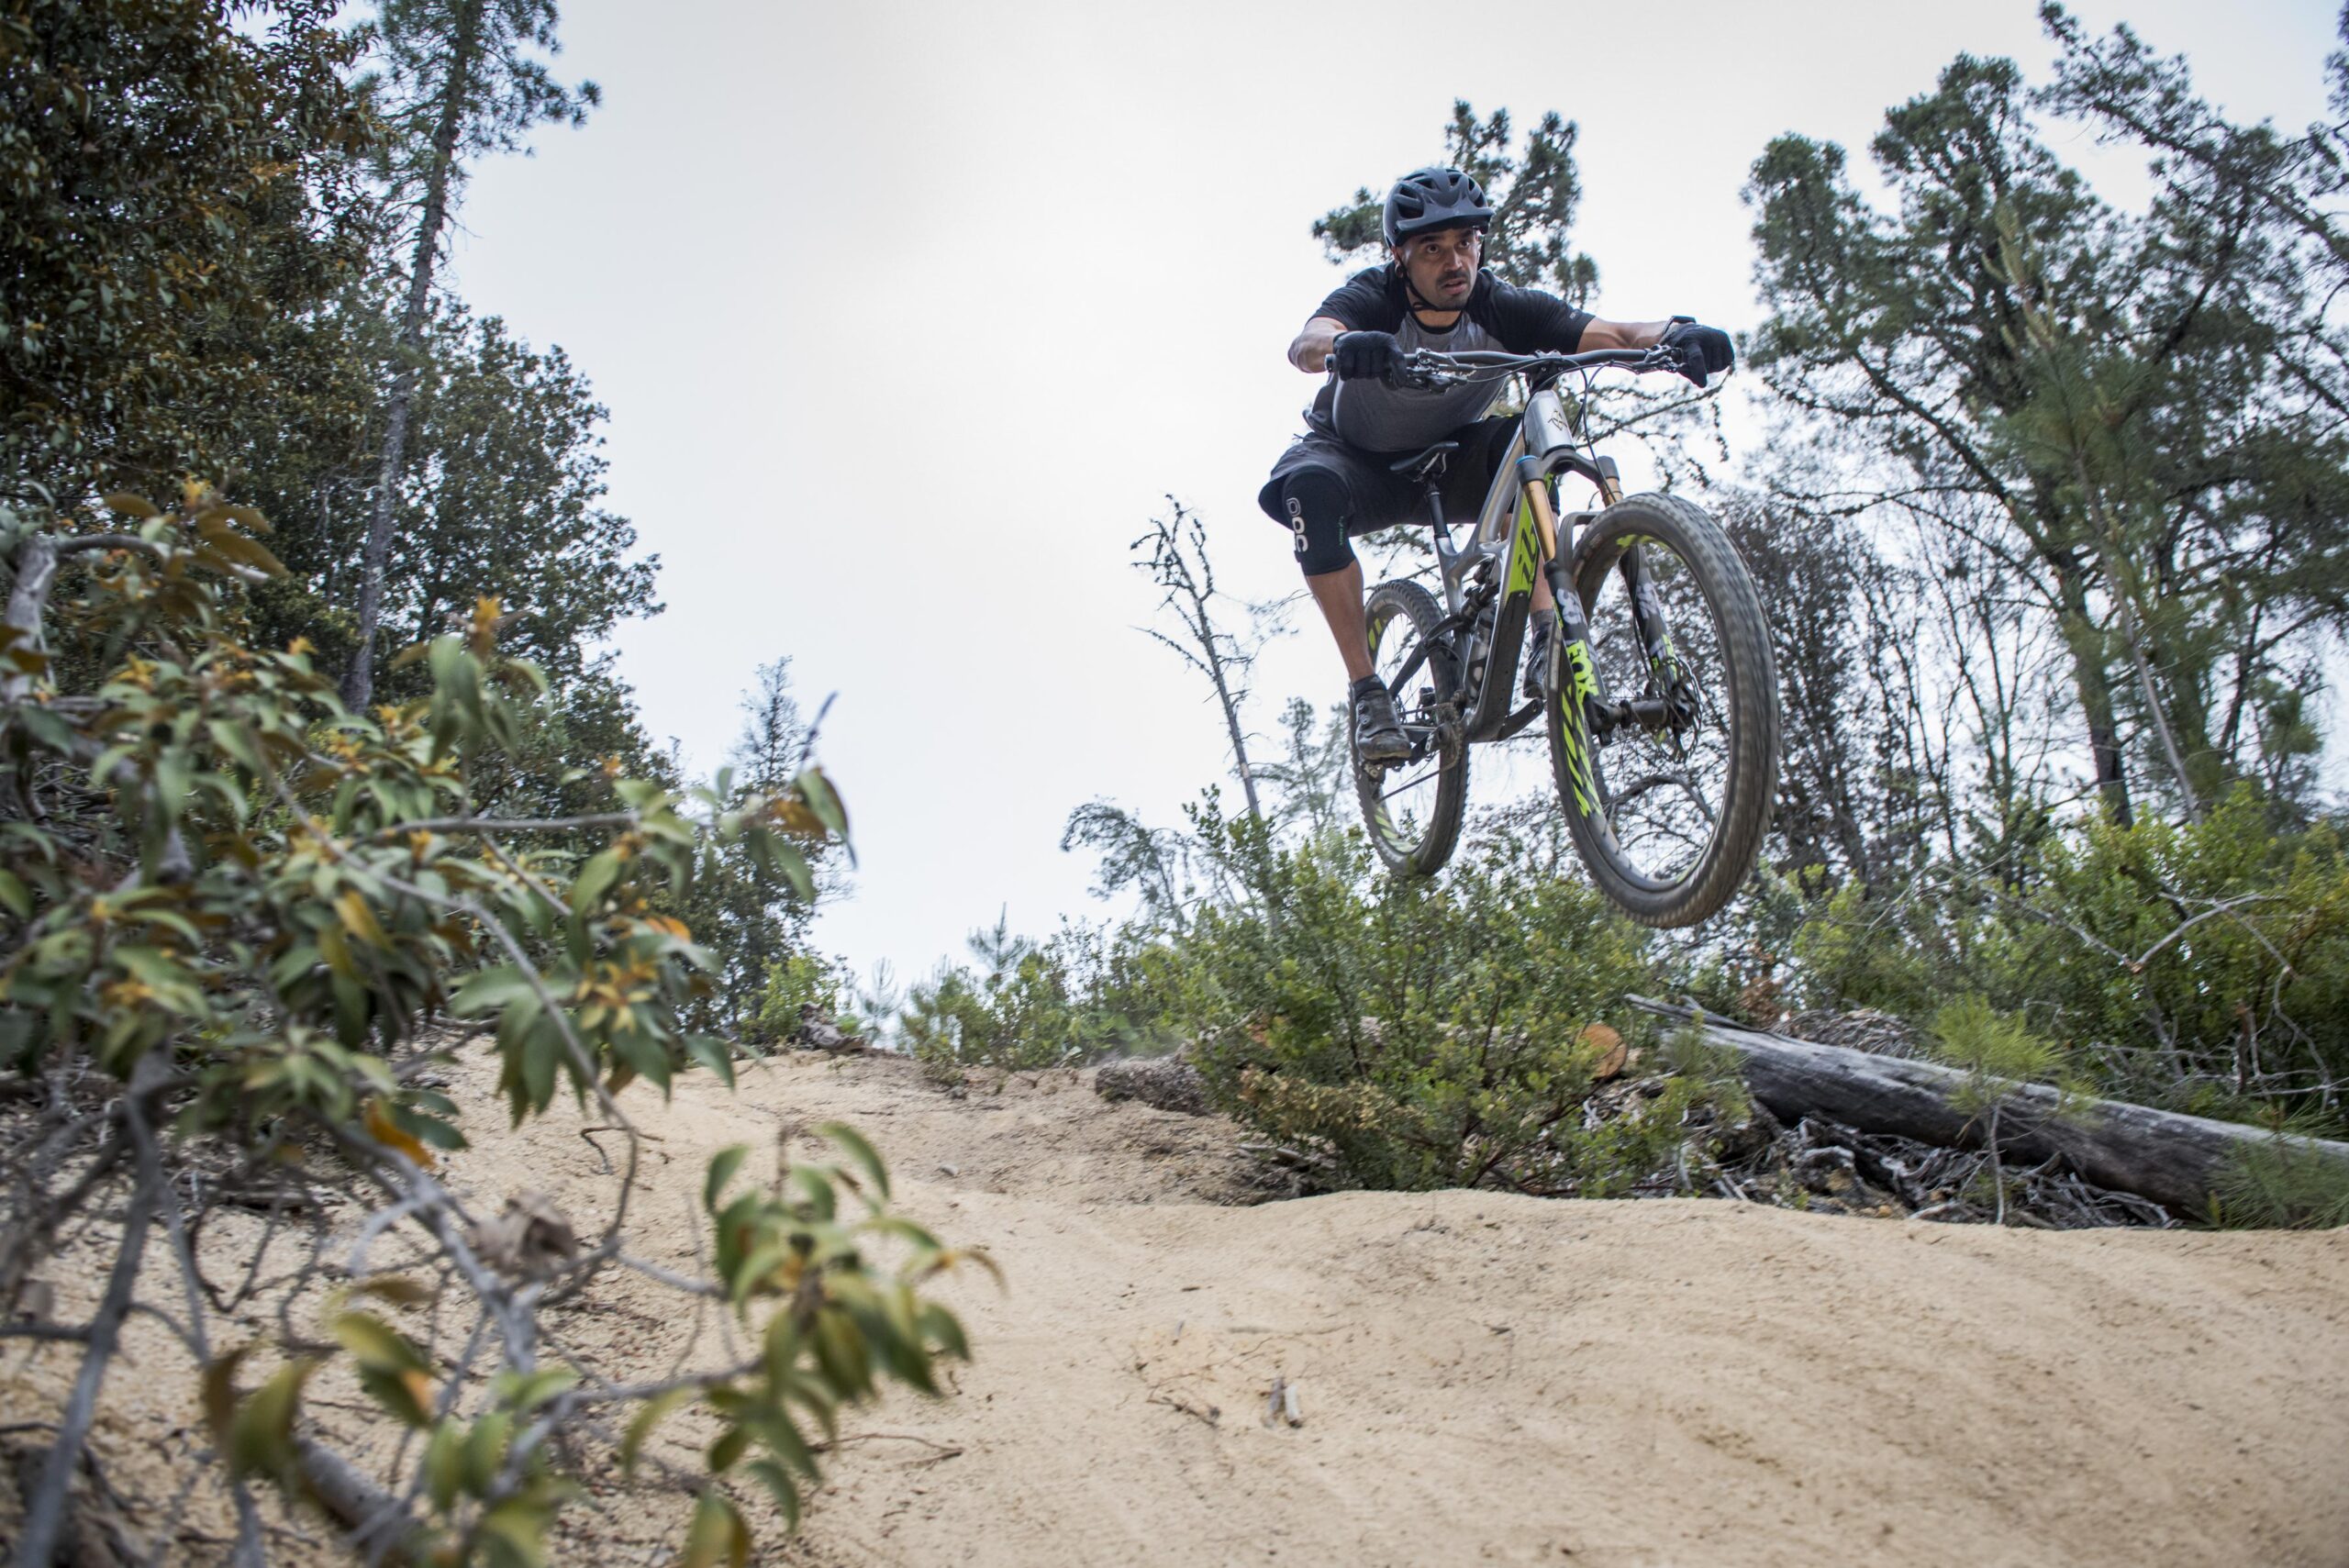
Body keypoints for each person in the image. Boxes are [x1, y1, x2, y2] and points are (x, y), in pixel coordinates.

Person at [1259, 165, 1735, 764]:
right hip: (1359, 461)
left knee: (1533, 443)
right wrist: (1345, 346)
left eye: (1466, 244)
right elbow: (1308, 341)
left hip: (1453, 460)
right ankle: (1368, 691)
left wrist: (1676, 335)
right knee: (1307, 487)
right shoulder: (1373, 298)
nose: (1455, 262)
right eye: (1432, 249)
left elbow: (1611, 331)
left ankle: (1546, 636)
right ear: (1399, 256)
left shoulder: (1503, 307)